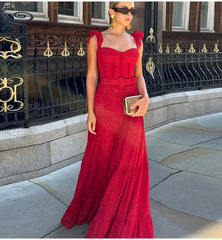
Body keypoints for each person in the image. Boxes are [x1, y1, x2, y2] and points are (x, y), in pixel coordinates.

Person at [61, 1, 154, 238]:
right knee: (101, 159)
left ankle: (121, 213)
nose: (129, 14)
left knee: (128, 162)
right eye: (124, 9)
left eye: (132, 10)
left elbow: (139, 74)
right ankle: (99, 209)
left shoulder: (137, 41)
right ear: (111, 11)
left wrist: (146, 97)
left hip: (131, 107)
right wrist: (90, 112)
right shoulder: (97, 40)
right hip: (105, 104)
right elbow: (92, 77)